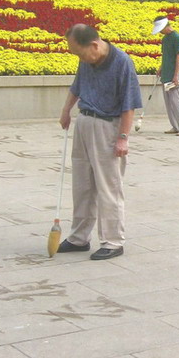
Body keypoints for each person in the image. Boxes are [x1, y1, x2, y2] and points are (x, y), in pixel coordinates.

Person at [58, 24, 141, 260]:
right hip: (85, 122)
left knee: (108, 186)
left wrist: (123, 138)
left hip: (108, 126)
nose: (80, 58)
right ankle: (78, 238)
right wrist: (66, 111)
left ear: (94, 45)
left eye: (80, 53)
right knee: (82, 184)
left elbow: (129, 104)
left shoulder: (122, 63)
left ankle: (113, 241)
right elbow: (77, 87)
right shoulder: (86, 59)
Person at [152, 15, 179, 136]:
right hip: (165, 74)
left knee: (175, 101)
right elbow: (166, 55)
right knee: (168, 103)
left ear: (165, 26)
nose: (160, 32)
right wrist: (161, 68)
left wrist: (176, 76)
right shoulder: (165, 39)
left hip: (173, 76)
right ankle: (175, 126)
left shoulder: (177, 37)